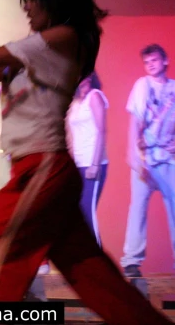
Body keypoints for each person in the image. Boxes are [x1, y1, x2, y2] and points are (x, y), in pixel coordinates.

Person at [0, 0, 172, 324]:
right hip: (42, 172)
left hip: (42, 169)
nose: (27, 7)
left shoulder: (64, 37)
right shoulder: (37, 51)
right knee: (94, 279)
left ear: (55, 0)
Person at [121, 44, 175, 277]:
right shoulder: (142, 85)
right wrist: (132, 153)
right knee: (138, 208)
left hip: (169, 157)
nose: (150, 65)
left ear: (165, 61)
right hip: (146, 155)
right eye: (147, 61)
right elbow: (135, 119)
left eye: (154, 60)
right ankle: (132, 259)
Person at [66, 71, 109, 243]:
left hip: (93, 162)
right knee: (76, 213)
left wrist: (95, 164)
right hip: (77, 163)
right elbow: (69, 134)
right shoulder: (75, 102)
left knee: (87, 210)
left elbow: (101, 131)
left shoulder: (95, 96)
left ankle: (99, 262)